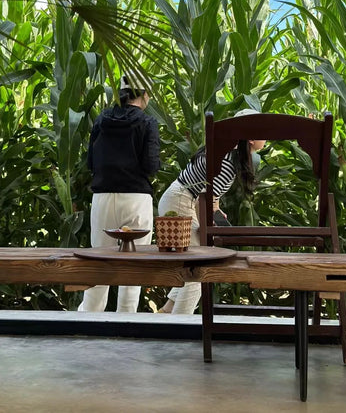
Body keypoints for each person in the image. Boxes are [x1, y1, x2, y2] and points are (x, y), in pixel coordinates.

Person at [157, 109, 265, 314]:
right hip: (181, 203)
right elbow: (203, 198)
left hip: (181, 198)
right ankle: (178, 328)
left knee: (192, 266)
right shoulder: (227, 162)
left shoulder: (227, 152)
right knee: (198, 272)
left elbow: (208, 192)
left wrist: (215, 210)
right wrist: (209, 217)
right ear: (250, 138)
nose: (266, 138)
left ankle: (166, 312)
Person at [78, 71, 160, 313]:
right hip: (136, 198)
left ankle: (87, 325)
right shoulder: (147, 122)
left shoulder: (101, 119)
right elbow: (151, 165)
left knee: (98, 267)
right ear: (144, 95)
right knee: (133, 271)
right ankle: (126, 326)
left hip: (103, 197)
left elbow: (91, 162)